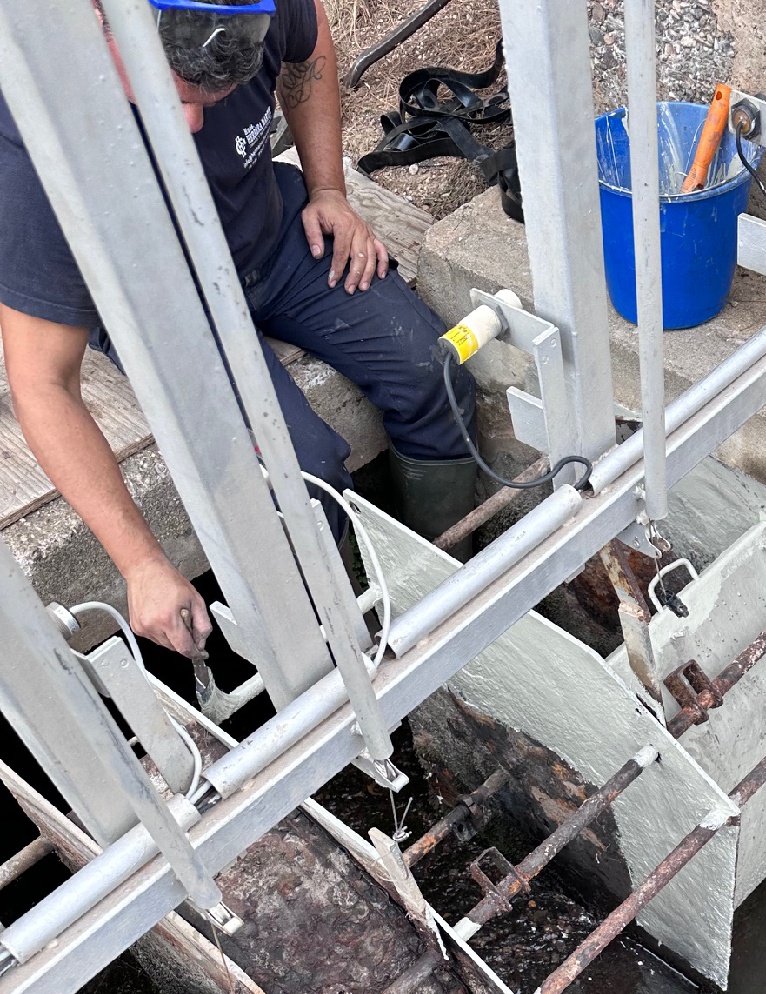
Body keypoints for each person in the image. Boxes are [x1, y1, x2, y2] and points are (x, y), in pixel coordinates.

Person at [0, 0, 478, 661]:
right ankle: (342, 654)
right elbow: (41, 384)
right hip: (163, 303)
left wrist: (330, 190)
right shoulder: (38, 147)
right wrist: (141, 565)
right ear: (104, 22)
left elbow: (309, 46)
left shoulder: (251, 4)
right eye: (175, 97)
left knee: (435, 373)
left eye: (214, 99)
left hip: (270, 232)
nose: (193, 122)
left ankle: (444, 593)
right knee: (304, 480)